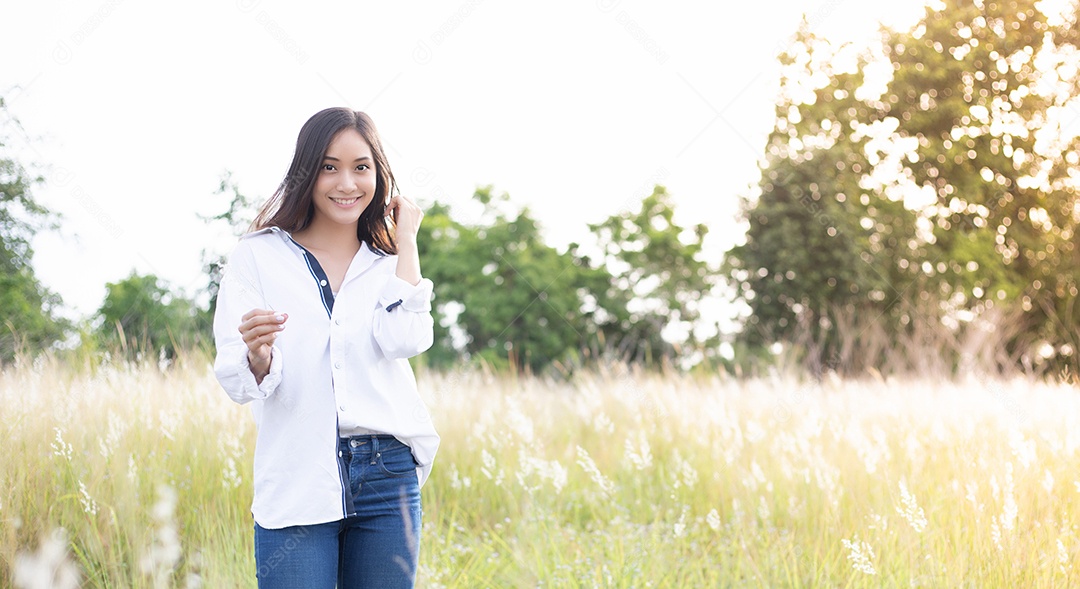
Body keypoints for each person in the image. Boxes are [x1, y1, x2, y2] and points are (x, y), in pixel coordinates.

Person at [212, 107, 439, 588]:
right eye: (329, 167)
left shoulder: (388, 262)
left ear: (379, 175)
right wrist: (258, 357)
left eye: (361, 167)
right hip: (298, 471)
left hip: (387, 473)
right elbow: (236, 378)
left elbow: (406, 339)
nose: (346, 183)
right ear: (307, 172)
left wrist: (407, 241)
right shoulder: (258, 255)